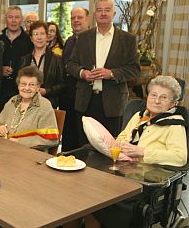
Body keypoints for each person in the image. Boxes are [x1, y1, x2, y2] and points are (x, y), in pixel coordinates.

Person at [66, 75, 188, 228]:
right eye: (153, 95)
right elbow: (124, 135)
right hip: (123, 172)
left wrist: (142, 151)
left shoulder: (175, 125)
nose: (157, 101)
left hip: (146, 183)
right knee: (81, 189)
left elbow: (180, 157)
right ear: (147, 96)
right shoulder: (140, 116)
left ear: (172, 103)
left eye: (164, 98)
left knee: (97, 200)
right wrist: (121, 144)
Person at [67, 0, 140, 146]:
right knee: (84, 146)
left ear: (113, 13)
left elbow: (134, 69)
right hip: (85, 102)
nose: (103, 13)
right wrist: (83, 73)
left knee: (109, 147)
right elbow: (71, 64)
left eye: (107, 10)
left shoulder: (127, 39)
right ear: (94, 14)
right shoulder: (83, 37)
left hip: (112, 103)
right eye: (99, 10)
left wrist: (111, 73)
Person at [0, 66, 59, 148]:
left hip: (29, 154)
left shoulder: (44, 105)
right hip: (5, 148)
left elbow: (52, 139)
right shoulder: (12, 101)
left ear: (38, 87)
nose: (27, 88)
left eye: (31, 85)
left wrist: (20, 142)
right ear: (18, 86)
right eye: (23, 84)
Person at [59, 7, 90, 151]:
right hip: (68, 97)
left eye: (80, 17)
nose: (76, 21)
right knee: (68, 137)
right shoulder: (69, 41)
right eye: (73, 18)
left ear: (88, 19)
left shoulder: (92, 41)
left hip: (85, 97)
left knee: (82, 139)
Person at [0, 6, 33, 117]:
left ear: (21, 20)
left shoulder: (29, 41)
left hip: (21, 91)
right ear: (5, 19)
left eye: (17, 17)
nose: (13, 20)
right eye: (10, 17)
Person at [20, 21, 65, 108]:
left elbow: (62, 84)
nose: (39, 37)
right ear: (31, 38)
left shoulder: (57, 59)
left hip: (48, 105)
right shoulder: (24, 60)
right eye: (36, 34)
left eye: (42, 34)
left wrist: (46, 91)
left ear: (47, 37)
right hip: (27, 105)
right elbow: (19, 82)